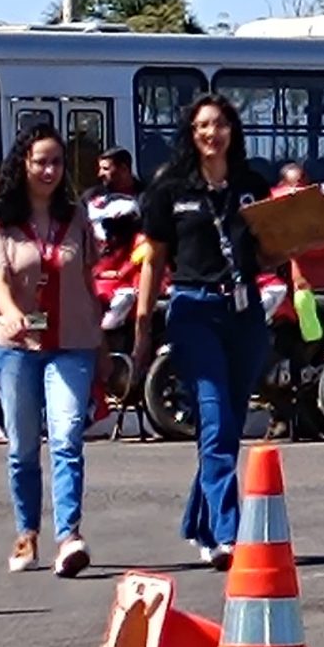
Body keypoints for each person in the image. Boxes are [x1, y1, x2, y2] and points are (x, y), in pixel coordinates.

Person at [134, 94, 275, 569]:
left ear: (232, 130)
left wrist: (307, 236)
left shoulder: (252, 186)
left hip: (245, 311)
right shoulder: (169, 188)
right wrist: (142, 325)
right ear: (191, 135)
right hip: (193, 311)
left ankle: (200, 522)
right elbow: (153, 260)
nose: (210, 134)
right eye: (200, 127)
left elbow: (269, 253)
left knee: (229, 426)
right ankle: (226, 533)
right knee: (214, 420)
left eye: (218, 125)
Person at [0, 125, 104, 578]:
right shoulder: (0, 222)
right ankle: (26, 532)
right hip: (17, 347)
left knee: (67, 439)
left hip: (73, 344)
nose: (49, 170)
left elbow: (89, 280)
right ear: (24, 165)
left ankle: (68, 536)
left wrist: (102, 342)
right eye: (40, 162)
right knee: (23, 448)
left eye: (56, 162)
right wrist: (10, 314)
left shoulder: (77, 218)